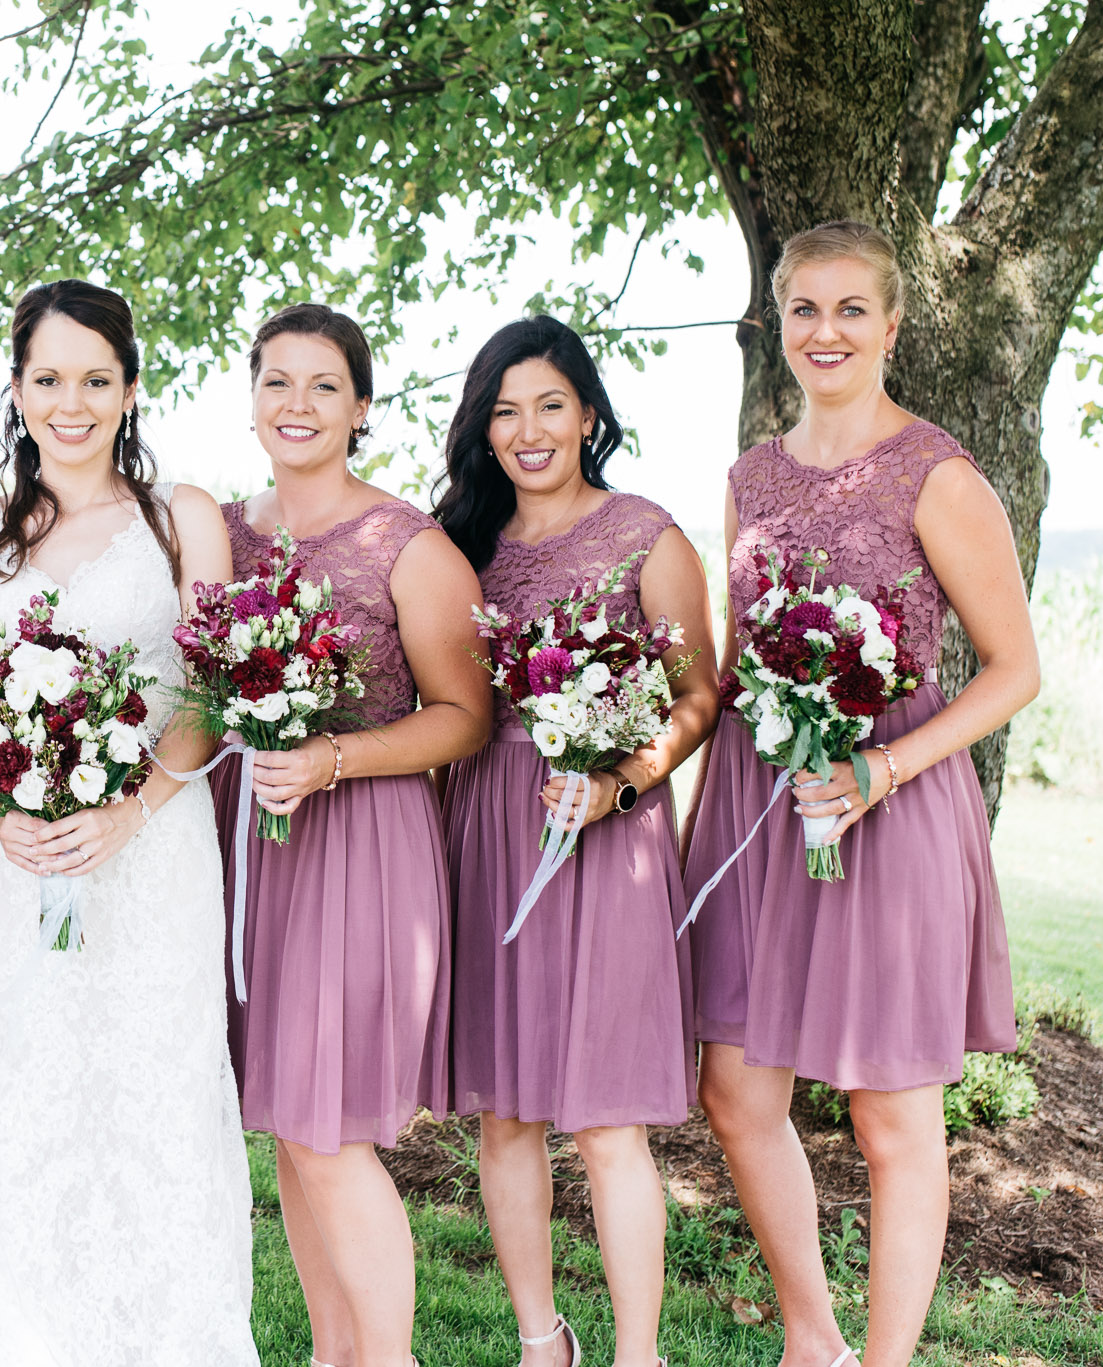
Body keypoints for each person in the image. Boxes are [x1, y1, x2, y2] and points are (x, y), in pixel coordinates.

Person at [0, 279, 257, 1366]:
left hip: (155, 848)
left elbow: (209, 689)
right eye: (48, 378)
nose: (70, 402)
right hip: (18, 857)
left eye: (95, 378)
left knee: (157, 1087)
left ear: (129, 390)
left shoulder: (183, 517)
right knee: (29, 1090)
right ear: (15, 387)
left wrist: (128, 812)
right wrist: (4, 809)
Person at [684, 220, 1038, 1367]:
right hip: (759, 798)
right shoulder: (747, 476)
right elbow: (737, 663)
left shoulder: (933, 472)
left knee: (890, 1114)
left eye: (849, 310)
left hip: (893, 794)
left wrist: (879, 766)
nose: (824, 331)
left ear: (889, 325)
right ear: (775, 323)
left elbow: (1013, 669)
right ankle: (811, 1338)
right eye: (802, 309)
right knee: (734, 1093)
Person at [432, 316, 716, 1367]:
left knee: (603, 1121)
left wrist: (618, 779)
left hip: (610, 837)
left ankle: (633, 1355)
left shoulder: (646, 532)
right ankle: (537, 1340)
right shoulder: (456, 543)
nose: (526, 429)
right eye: (502, 411)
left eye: (548, 404)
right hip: (488, 824)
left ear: (588, 412)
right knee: (504, 1111)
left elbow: (697, 697)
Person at [213, 303, 490, 1367]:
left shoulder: (402, 544)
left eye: (322, 384)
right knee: (289, 1119)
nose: (296, 403)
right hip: (248, 843)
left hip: (359, 840)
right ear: (249, 402)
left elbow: (463, 716)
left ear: (360, 406)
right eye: (275, 381)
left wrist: (331, 755)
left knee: (326, 1129)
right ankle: (335, 1354)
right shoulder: (224, 533)